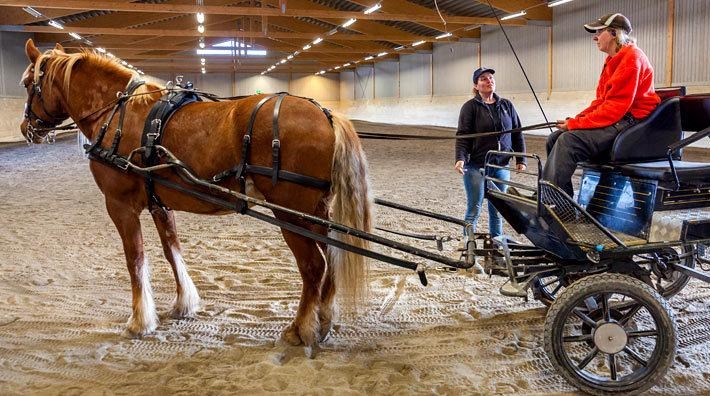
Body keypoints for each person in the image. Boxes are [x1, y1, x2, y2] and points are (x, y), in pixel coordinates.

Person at [543, 13, 660, 197]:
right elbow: (601, 102)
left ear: (614, 33)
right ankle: (559, 202)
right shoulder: (612, 60)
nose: (595, 37)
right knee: (554, 137)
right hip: (620, 117)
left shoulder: (631, 58)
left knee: (568, 141)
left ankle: (548, 198)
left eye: (599, 32)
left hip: (633, 122)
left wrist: (574, 125)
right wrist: (575, 120)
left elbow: (614, 108)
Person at [455, 67, 527, 238]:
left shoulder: (507, 105)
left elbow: (517, 132)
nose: (489, 81)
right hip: (477, 166)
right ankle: (466, 246)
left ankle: (497, 245)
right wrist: (460, 158)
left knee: (498, 209)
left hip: (501, 165)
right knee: (475, 207)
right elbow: (463, 135)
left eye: (491, 78)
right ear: (476, 85)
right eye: (483, 79)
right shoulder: (470, 107)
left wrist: (520, 158)